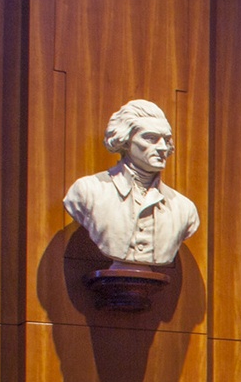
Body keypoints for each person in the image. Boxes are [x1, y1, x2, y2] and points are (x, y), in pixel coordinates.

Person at [62, 99, 201, 266]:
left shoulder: (184, 209)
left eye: (166, 139)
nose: (163, 147)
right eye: (151, 138)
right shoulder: (87, 191)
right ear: (125, 140)